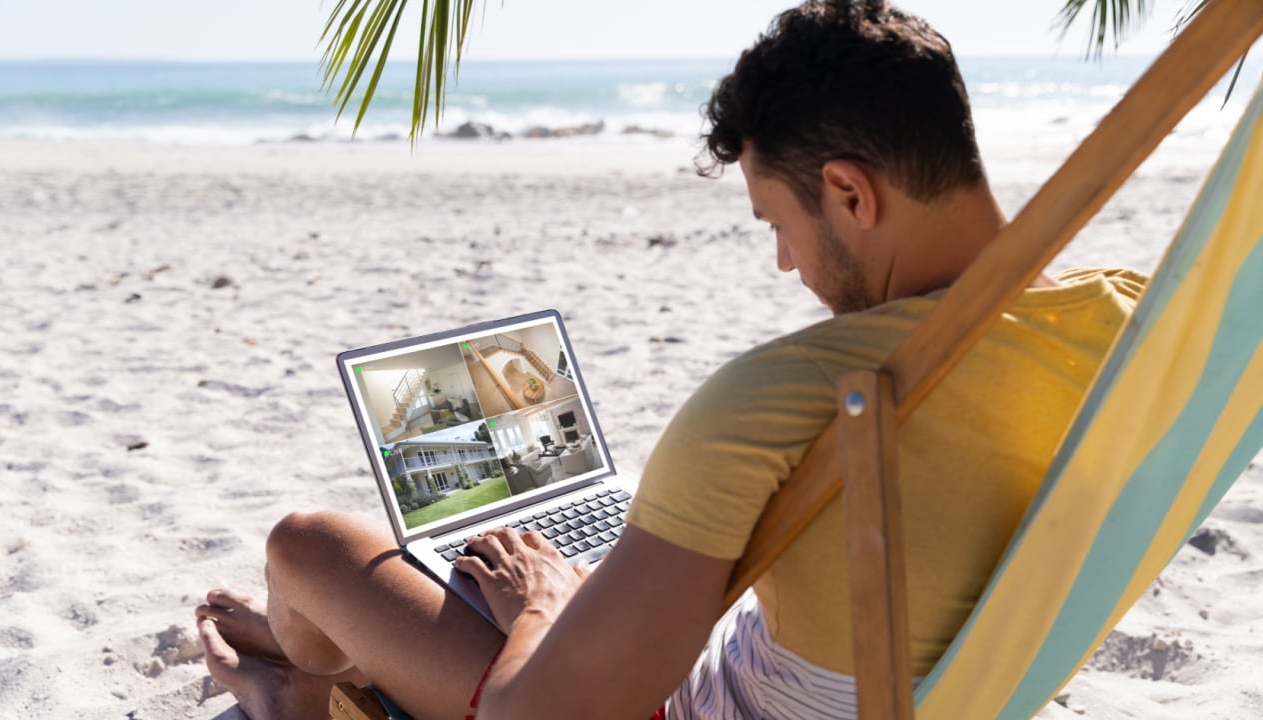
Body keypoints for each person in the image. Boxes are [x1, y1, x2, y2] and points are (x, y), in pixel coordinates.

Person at [195, 2, 1145, 718]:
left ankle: (301, 686)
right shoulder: (1129, 321)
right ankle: (319, 656)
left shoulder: (793, 396)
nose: (786, 263)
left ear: (850, 193)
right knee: (449, 586)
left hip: (664, 701)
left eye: (779, 224)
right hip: (884, 669)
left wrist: (546, 608)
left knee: (309, 545)